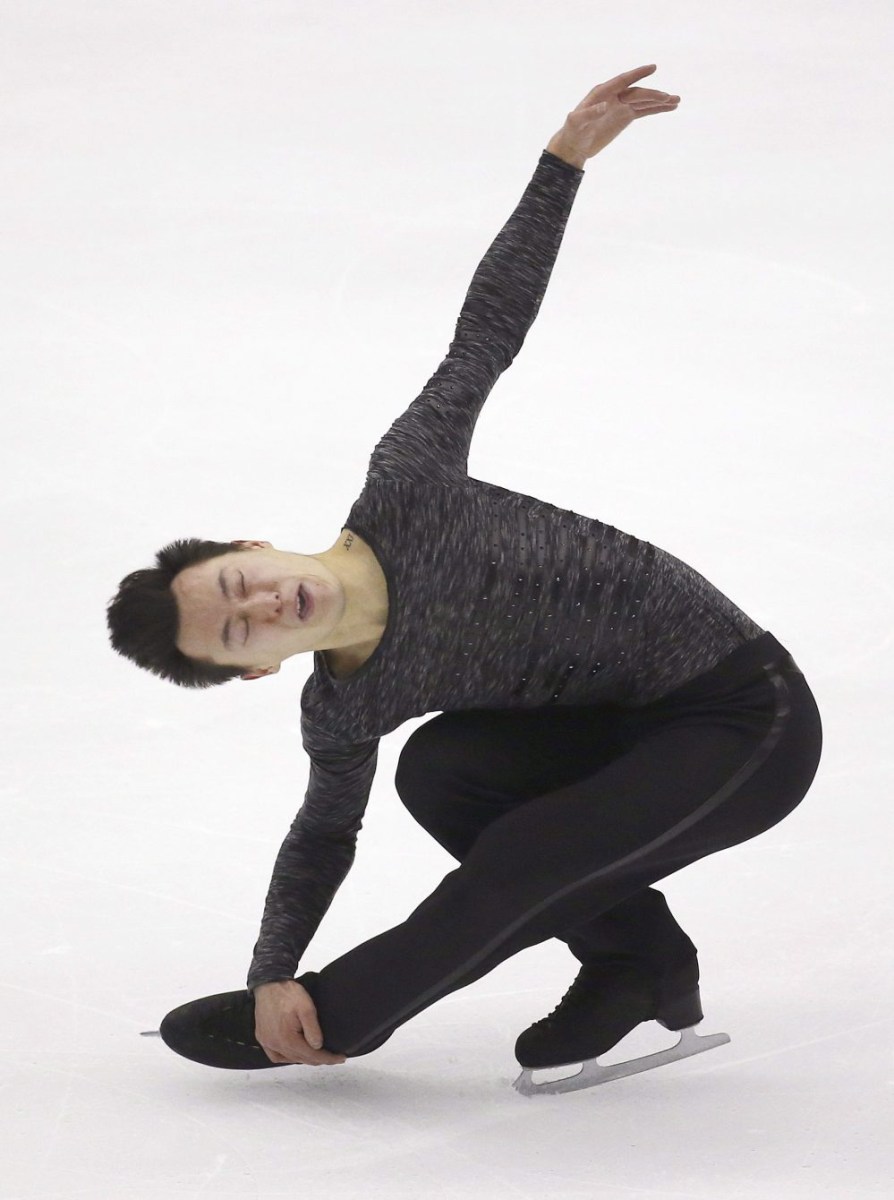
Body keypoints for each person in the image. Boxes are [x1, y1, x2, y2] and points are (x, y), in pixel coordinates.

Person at [107, 65, 823, 1093]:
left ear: (254, 545)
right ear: (258, 670)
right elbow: (321, 837)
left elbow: (486, 331)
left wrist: (562, 163)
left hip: (743, 717)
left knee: (527, 849)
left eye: (238, 582)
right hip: (629, 736)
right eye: (238, 633)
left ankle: (339, 1015)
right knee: (440, 771)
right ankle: (637, 962)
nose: (262, 605)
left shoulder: (406, 484)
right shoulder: (343, 705)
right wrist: (265, 969)